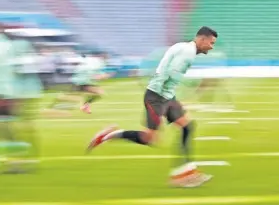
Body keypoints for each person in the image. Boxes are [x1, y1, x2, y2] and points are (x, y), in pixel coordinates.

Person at [86, 27, 218, 187]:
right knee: (150, 139)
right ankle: (109, 135)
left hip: (165, 96)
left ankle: (185, 174)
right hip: (157, 97)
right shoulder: (188, 53)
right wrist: (192, 90)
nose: (211, 47)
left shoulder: (182, 46)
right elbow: (171, 73)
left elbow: (166, 70)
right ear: (202, 39)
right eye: (211, 43)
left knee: (188, 127)